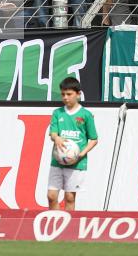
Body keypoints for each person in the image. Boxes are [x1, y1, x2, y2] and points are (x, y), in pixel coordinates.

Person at [48, 77, 98, 212]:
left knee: (69, 197)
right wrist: (56, 138)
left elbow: (94, 139)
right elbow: (53, 133)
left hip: (76, 163)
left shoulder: (86, 115)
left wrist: (80, 155)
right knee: (51, 196)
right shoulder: (58, 113)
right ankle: (54, 223)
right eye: (63, 94)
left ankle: (67, 226)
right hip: (57, 161)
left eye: (69, 94)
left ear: (78, 94)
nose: (65, 97)